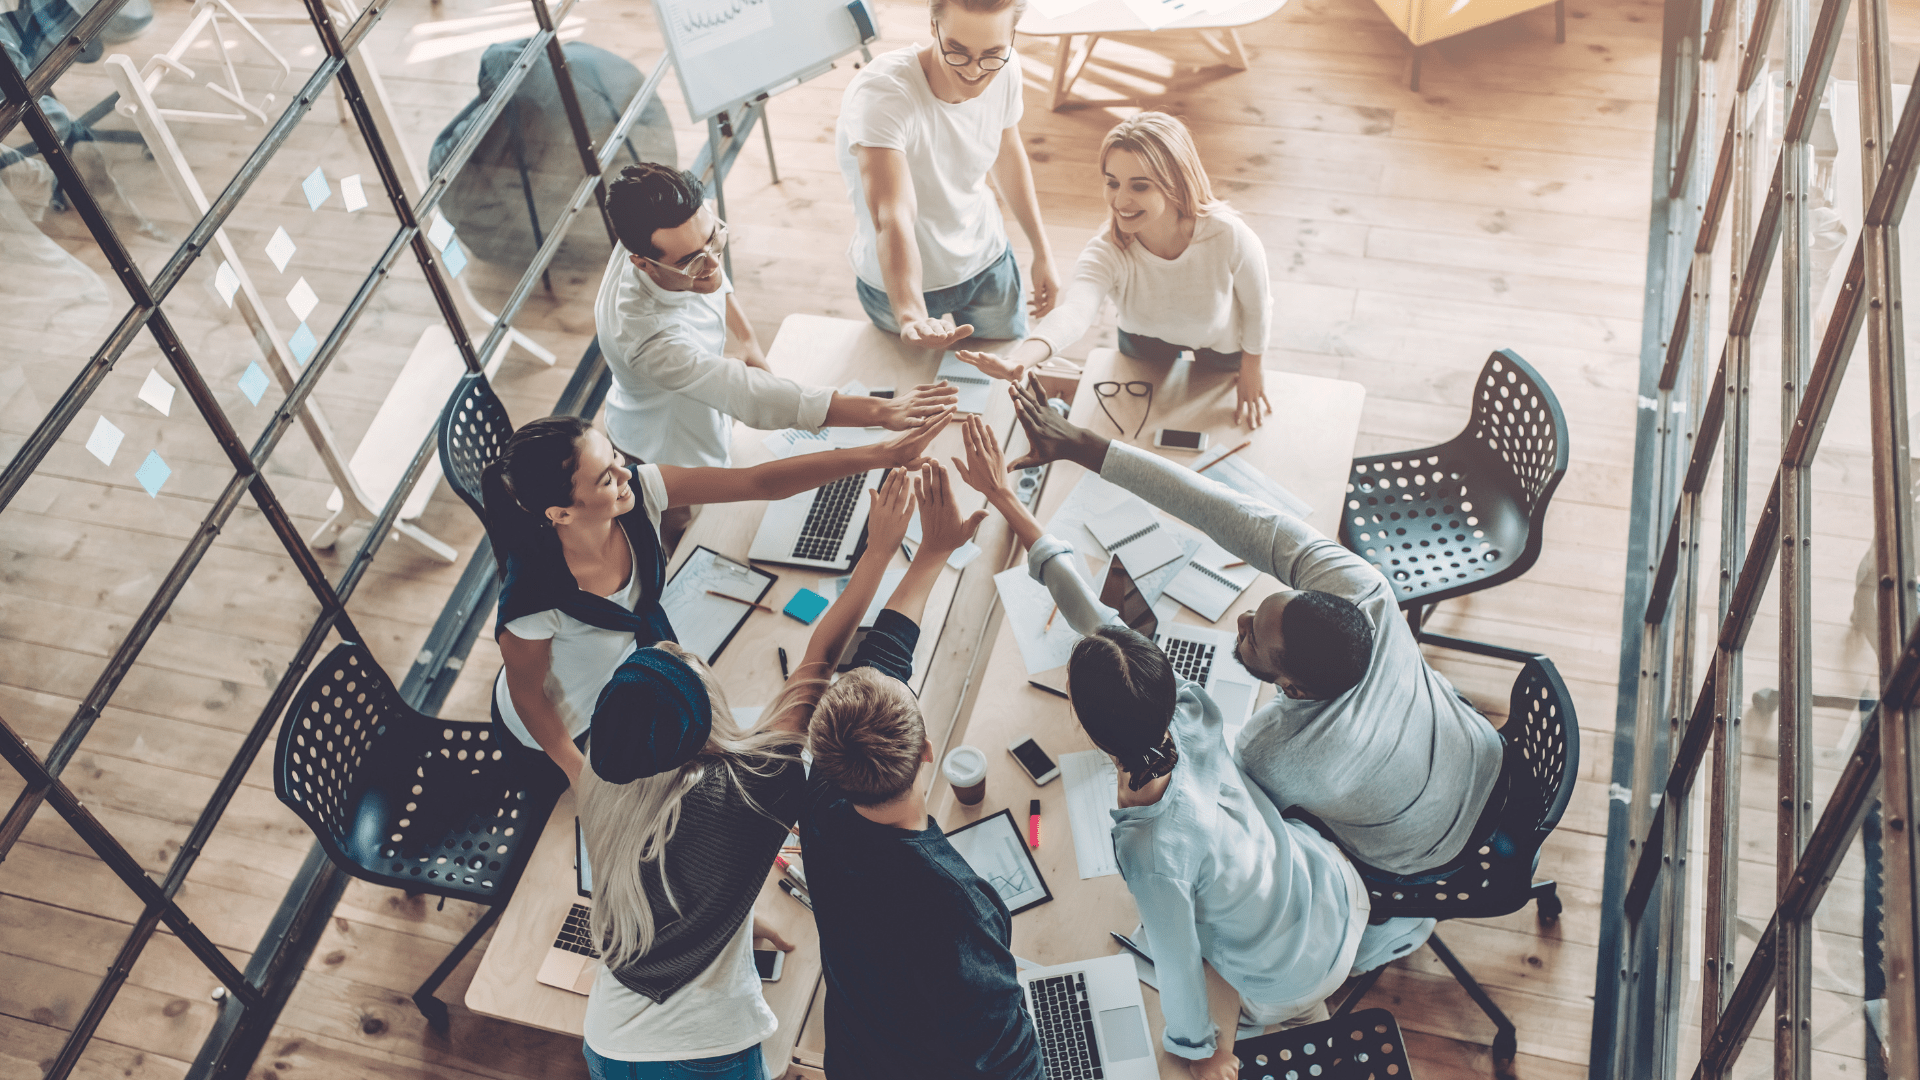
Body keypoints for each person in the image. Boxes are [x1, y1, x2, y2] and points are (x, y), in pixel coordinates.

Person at [952, 417, 1427, 1078]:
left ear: (1090, 733)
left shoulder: (1149, 848)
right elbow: (1094, 613)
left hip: (1287, 977)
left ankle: (1295, 1016)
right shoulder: (1191, 707)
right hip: (1331, 890)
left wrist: (1201, 1053)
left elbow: (1178, 963)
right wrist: (1008, 501)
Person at [1002, 377, 1505, 877]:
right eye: (1261, 610)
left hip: (1425, 850)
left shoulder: (1273, 752)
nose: (1241, 619)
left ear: (1292, 687)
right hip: (1482, 751)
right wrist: (1083, 445)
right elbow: (1227, 510)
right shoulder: (1362, 587)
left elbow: (1235, 822)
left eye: (1252, 639)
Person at [571, 468, 924, 1078]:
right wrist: (882, 549)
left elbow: (663, 870)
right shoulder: (746, 790)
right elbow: (818, 662)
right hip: (698, 1057)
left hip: (607, 1041)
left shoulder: (605, 777)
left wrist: (728, 912)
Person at [481, 409, 954, 784]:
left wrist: (880, 454)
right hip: (572, 733)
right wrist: (577, 775)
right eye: (606, 478)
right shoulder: (532, 602)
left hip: (632, 687)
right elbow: (528, 697)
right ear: (561, 513)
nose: (627, 475)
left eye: (616, 460)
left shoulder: (638, 494)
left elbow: (758, 483)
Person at [796, 464, 1045, 1080]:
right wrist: (931, 548)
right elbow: (1012, 1063)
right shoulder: (954, 901)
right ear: (929, 749)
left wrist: (931, 553)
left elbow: (883, 656)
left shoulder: (824, 794)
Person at [597, 161, 960, 472]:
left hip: (701, 415)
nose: (713, 263)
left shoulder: (659, 225)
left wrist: (749, 341)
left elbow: (711, 275)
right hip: (665, 447)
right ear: (641, 263)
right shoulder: (646, 340)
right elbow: (747, 395)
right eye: (691, 261)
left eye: (714, 239)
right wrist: (882, 412)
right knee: (686, 532)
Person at [955, 111, 1275, 428]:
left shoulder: (1228, 235)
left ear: (1175, 183)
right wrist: (1020, 359)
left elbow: (1257, 304)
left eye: (1139, 187)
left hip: (1219, 342)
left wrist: (1253, 364)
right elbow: (1075, 312)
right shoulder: (1108, 248)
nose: (1120, 200)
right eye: (1112, 183)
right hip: (1144, 339)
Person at [835, 0, 1060, 350]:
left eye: (991, 53)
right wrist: (910, 315)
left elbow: (1006, 151)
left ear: (1011, 36)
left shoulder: (1007, 67)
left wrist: (1042, 250)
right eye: (957, 51)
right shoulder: (883, 95)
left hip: (986, 264)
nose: (974, 71)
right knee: (910, 390)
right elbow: (892, 215)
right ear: (932, 26)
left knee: (1001, 374)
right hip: (897, 284)